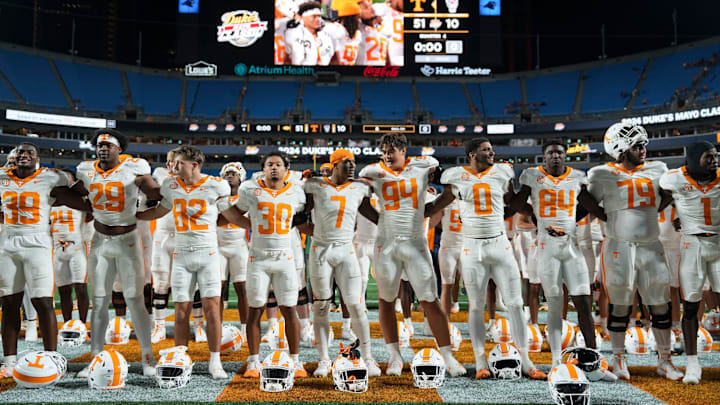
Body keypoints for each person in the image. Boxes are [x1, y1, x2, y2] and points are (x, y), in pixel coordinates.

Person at [426, 138, 545, 380]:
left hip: (500, 242)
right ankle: (480, 361)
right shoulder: (456, 176)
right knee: (475, 306)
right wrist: (412, 209)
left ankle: (526, 360)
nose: (491, 153)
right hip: (471, 246)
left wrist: (534, 209)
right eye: (485, 149)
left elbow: (512, 203)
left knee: (514, 304)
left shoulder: (502, 172)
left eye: (491, 149)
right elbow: (439, 203)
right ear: (471, 154)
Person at [358, 133, 466, 376]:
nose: (388, 153)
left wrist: (430, 208)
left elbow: (448, 186)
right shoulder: (373, 170)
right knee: (387, 300)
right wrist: (380, 219)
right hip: (386, 244)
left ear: (403, 150)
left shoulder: (422, 166)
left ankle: (448, 356)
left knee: (430, 299)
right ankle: (394, 356)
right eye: (385, 149)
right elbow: (359, 199)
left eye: (393, 149)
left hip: (416, 243)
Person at [588, 123, 682, 381]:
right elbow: (586, 200)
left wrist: (653, 211)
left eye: (644, 145)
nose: (643, 150)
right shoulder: (601, 173)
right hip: (619, 246)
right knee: (620, 305)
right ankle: (619, 359)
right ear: (619, 148)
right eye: (637, 145)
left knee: (660, 305)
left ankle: (665, 360)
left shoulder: (658, 169)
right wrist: (605, 217)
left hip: (651, 245)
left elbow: (669, 195)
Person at [137, 146, 230, 379]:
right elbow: (161, 210)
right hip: (182, 254)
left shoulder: (216, 185)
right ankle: (180, 357)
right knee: (180, 312)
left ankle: (215, 360)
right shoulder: (171, 185)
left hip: (208, 254)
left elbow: (229, 212)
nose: (173, 167)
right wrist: (133, 216)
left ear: (193, 165)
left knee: (212, 310)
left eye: (178, 163)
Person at [74, 129, 161, 378]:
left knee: (135, 300)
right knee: (99, 301)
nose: (103, 148)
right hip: (100, 240)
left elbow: (152, 190)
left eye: (108, 145)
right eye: (100, 144)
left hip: (127, 240)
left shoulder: (135, 167)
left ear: (119, 149)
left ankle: (148, 358)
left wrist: (161, 193)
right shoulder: (86, 169)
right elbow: (77, 192)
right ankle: (95, 357)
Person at [512, 139, 606, 367]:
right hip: (546, 247)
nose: (556, 156)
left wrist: (614, 217)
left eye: (560, 153)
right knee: (554, 303)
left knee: (584, 302)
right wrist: (533, 215)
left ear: (566, 156)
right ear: (544, 157)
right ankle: (556, 359)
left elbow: (590, 205)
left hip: (571, 246)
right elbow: (516, 203)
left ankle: (591, 358)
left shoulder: (576, 177)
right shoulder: (531, 175)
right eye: (551, 153)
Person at [0, 142, 89, 378]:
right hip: (8, 243)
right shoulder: (2, 177)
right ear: (14, 157)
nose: (24, 155)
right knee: (9, 303)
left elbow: (83, 199)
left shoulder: (49, 178)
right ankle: (8, 362)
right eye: (20, 152)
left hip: (37, 243)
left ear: (36, 158)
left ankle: (53, 358)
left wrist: (72, 181)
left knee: (43, 302)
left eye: (30, 152)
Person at [220, 151, 308, 378]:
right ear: (264, 169)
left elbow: (304, 216)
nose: (274, 168)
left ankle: (296, 361)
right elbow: (235, 213)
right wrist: (251, 224)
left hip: (285, 257)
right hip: (258, 257)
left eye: (278, 164)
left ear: (286, 169)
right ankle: (253, 361)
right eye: (270, 164)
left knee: (289, 309)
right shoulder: (250, 189)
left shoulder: (297, 193)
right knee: (255, 309)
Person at [302, 149, 381, 377]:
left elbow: (374, 215)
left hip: (347, 249)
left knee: (356, 305)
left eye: (354, 163)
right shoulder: (316, 186)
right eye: (347, 163)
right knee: (322, 305)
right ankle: (324, 359)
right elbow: (299, 214)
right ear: (335, 165)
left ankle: (368, 357)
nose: (352, 166)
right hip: (320, 250)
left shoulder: (358, 187)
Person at [658, 141, 720, 384]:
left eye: (715, 156)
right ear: (694, 159)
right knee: (691, 306)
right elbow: (660, 200)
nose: (714, 161)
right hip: (692, 244)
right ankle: (693, 365)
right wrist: (676, 215)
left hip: (719, 242)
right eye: (708, 157)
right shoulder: (673, 179)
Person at [51, 168, 91, 324]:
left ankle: (82, 325)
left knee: (80, 288)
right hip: (57, 249)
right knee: (64, 291)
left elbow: (93, 208)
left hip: (76, 248)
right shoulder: (48, 201)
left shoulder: (81, 200)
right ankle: (68, 324)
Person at [218, 162, 250, 338]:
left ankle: (245, 329)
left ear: (241, 177)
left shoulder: (246, 198)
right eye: (227, 173)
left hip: (239, 245)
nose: (230, 176)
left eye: (234, 173)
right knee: (218, 290)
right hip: (218, 246)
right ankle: (218, 328)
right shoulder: (216, 197)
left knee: (243, 289)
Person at [149, 150, 177, 343]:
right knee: (160, 281)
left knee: (191, 285)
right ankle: (159, 326)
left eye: (175, 161)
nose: (171, 165)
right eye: (169, 161)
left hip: (185, 235)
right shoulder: (160, 174)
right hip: (163, 233)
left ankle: (199, 325)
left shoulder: (195, 180)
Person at [285, 1, 334, 65]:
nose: (318, 19)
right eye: (314, 16)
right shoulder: (291, 35)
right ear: (302, 17)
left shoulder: (326, 36)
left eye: (319, 16)